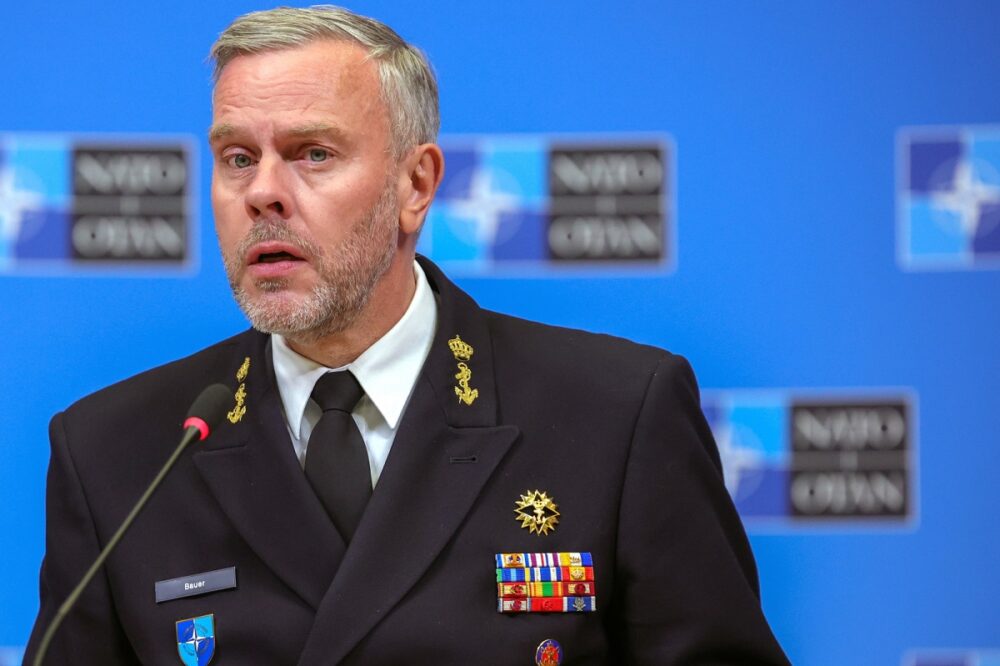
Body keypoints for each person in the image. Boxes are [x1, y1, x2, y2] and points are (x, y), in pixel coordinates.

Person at [25, 6, 789, 665]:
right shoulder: (118, 453)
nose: (263, 192)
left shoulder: (615, 416)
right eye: (237, 158)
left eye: (313, 154)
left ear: (415, 185)